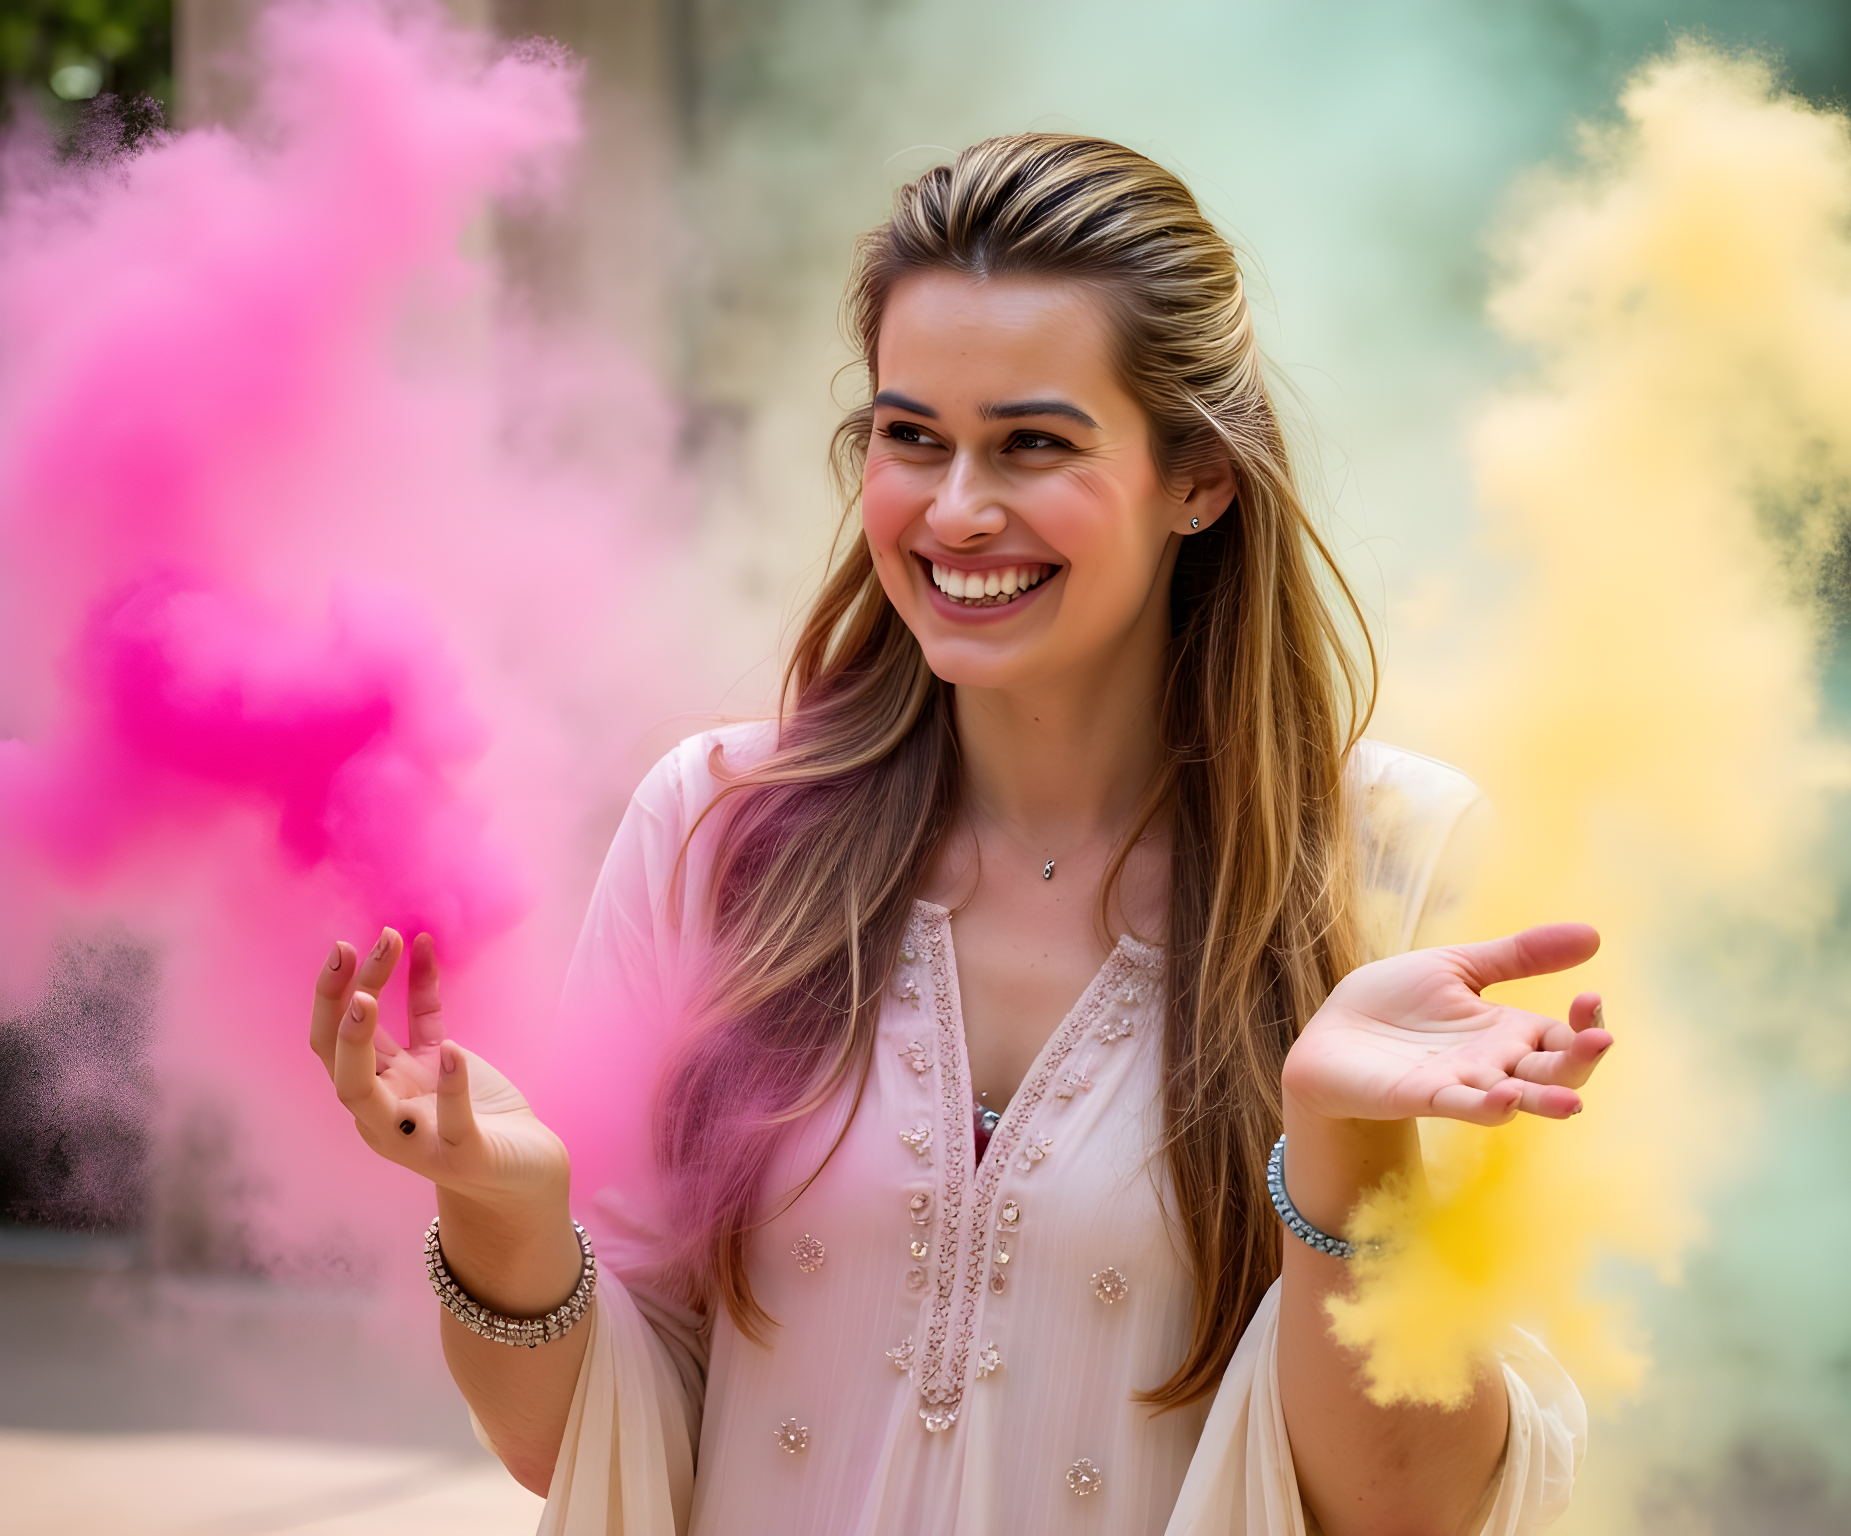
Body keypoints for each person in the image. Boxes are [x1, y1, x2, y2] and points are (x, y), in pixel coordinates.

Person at [308, 134, 1609, 1536]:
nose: (956, 510)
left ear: (1198, 479)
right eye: (911, 436)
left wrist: (1346, 1158)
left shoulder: (1400, 860)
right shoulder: (711, 826)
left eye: (1034, 444)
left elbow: (1409, 1509)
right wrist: (501, 1214)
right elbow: (574, 1450)